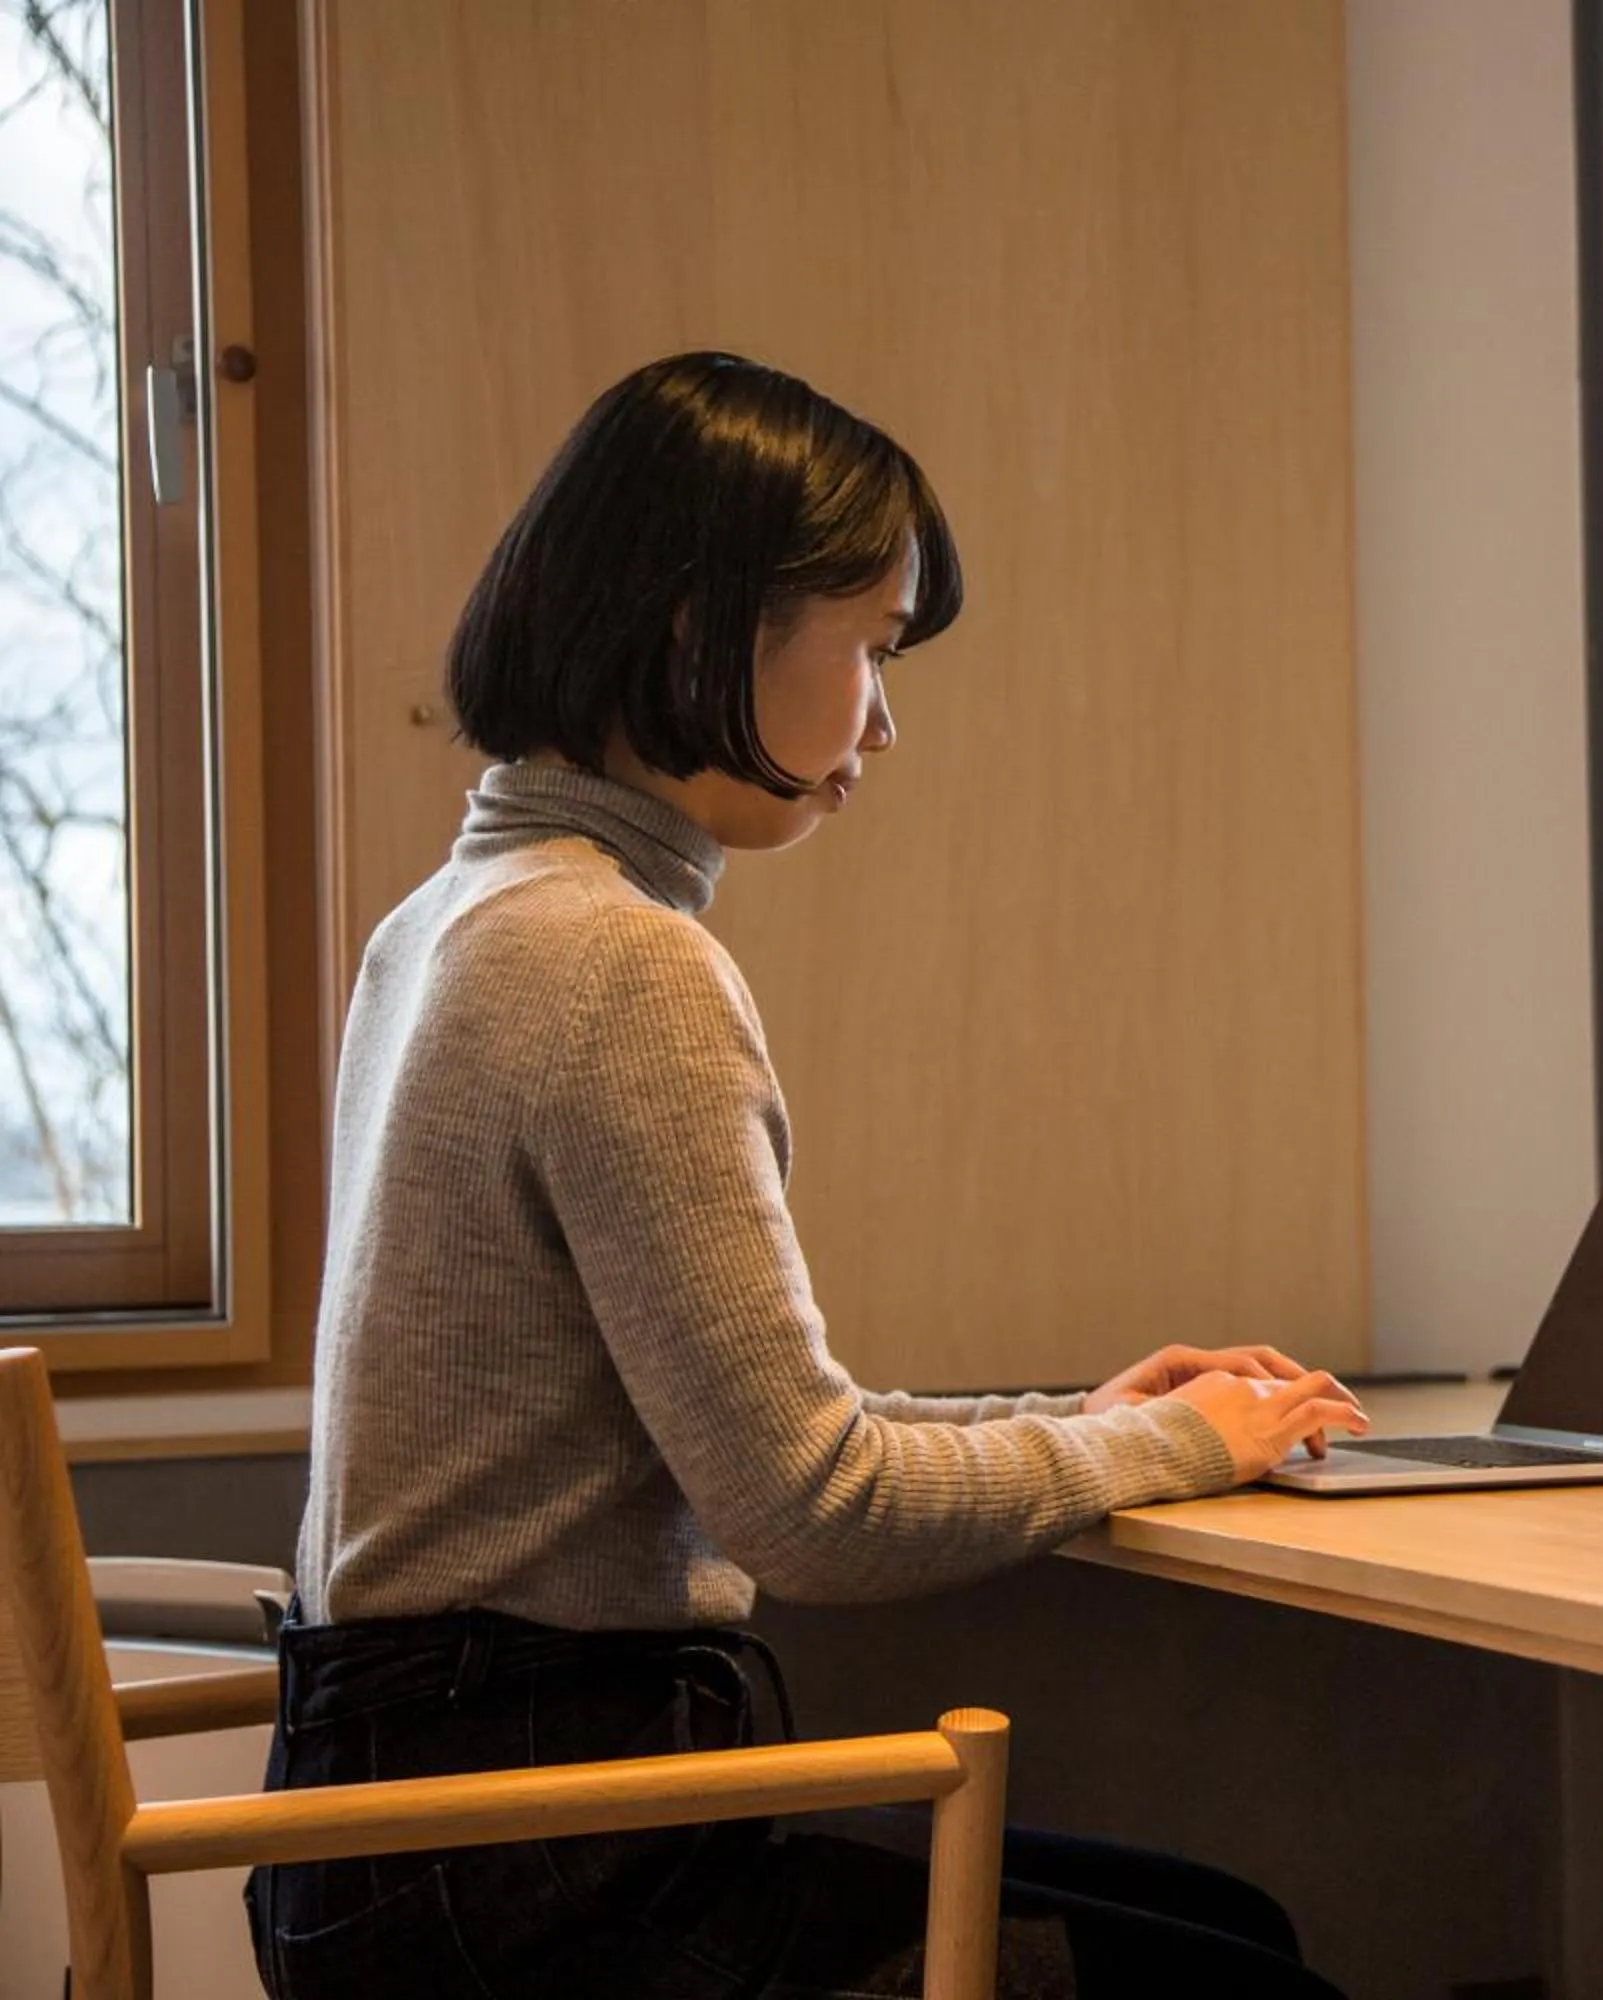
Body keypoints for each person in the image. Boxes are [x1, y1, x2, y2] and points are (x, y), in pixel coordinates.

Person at [250, 351, 1369, 2000]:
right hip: (542, 1897)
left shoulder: (447, 926)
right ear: (709, 633)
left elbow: (752, 1432)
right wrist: (1159, 1447)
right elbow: (812, 1512)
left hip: (397, 1869)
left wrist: (1086, 1427)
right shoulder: (617, 964)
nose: (887, 720)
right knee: (1228, 1974)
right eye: (874, 648)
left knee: (1221, 1940)